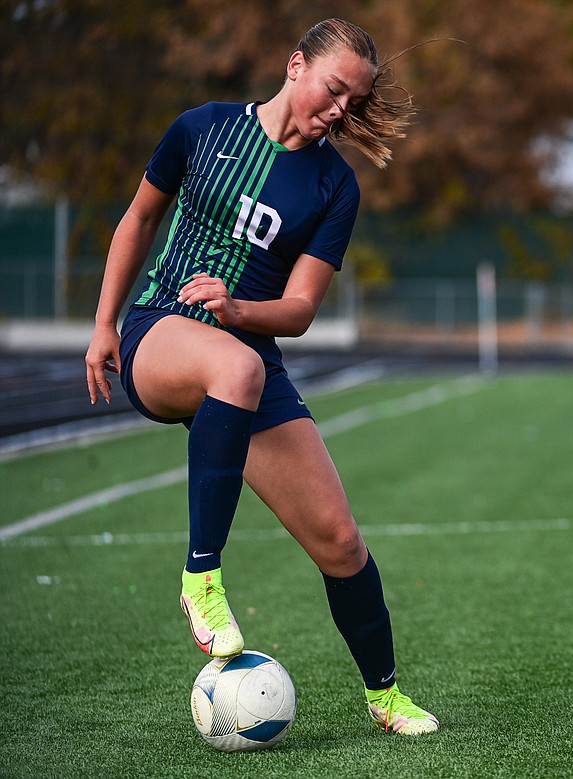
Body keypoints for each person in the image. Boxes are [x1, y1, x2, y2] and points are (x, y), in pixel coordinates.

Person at [84, 18, 438, 737]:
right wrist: (102, 324)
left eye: (354, 101)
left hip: (249, 360)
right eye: (335, 89)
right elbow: (138, 220)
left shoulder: (335, 186)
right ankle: (201, 578)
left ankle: (386, 694)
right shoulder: (203, 129)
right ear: (296, 65)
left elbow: (302, 308)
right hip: (161, 332)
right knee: (235, 364)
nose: (340, 109)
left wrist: (239, 305)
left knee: (341, 540)